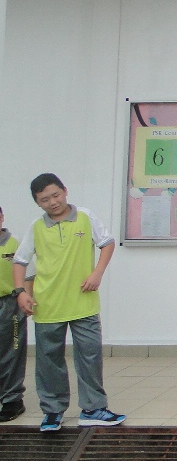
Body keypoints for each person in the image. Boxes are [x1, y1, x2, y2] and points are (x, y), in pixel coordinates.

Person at [12, 173, 126, 432]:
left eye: (55, 195)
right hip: (48, 305)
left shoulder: (85, 216)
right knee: (49, 361)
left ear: (65, 191)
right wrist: (21, 292)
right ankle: (52, 411)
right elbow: (20, 260)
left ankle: (93, 408)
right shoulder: (36, 227)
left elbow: (107, 243)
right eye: (44, 200)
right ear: (37, 203)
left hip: (83, 303)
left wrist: (97, 273)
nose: (53, 202)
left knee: (90, 357)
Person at [0, 205, 27, 423]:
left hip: (10, 304)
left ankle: (12, 400)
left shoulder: (15, 243)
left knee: (12, 352)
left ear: (2, 217)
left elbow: (29, 273)